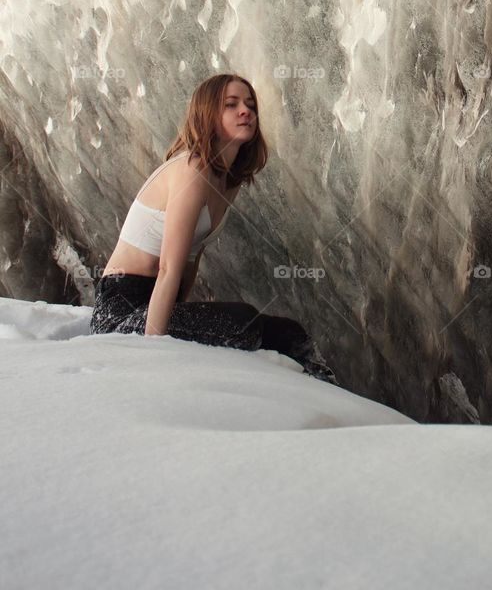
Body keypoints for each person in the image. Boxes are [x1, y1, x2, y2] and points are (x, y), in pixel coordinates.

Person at [89, 72, 337, 384]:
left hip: (157, 304)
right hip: (120, 313)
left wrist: (183, 316)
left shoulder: (228, 179)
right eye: (231, 105)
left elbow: (192, 260)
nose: (245, 111)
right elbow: (169, 268)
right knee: (242, 320)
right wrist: (150, 355)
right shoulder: (193, 170)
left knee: (290, 330)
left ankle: (327, 389)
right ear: (207, 115)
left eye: (249, 104)